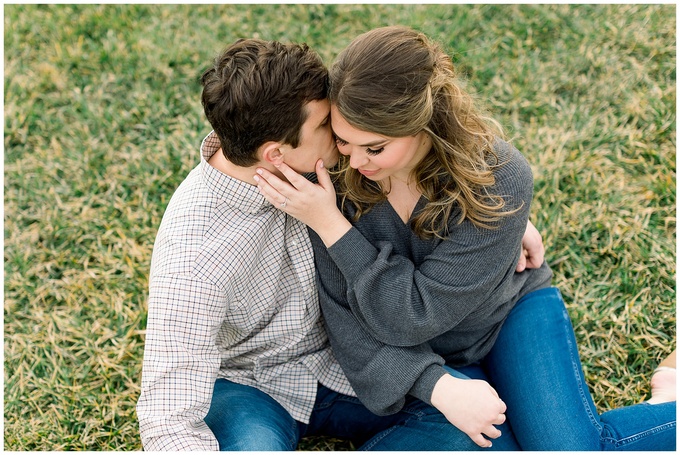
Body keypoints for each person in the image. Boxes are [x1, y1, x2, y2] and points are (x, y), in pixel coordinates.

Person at [254, 26, 677, 450]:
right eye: (344, 140)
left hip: (508, 314)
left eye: (375, 148)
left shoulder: (501, 179)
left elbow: (412, 314)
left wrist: (333, 228)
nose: (353, 159)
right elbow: (348, 324)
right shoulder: (330, 185)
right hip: (433, 355)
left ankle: (669, 400)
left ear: (423, 126)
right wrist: (436, 384)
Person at [136, 37, 546, 451]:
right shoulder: (196, 255)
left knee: (485, 435)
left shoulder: (327, 166)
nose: (344, 138)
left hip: (345, 367)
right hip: (254, 386)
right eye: (326, 127)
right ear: (276, 154)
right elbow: (166, 418)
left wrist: (499, 224)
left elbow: (403, 131)